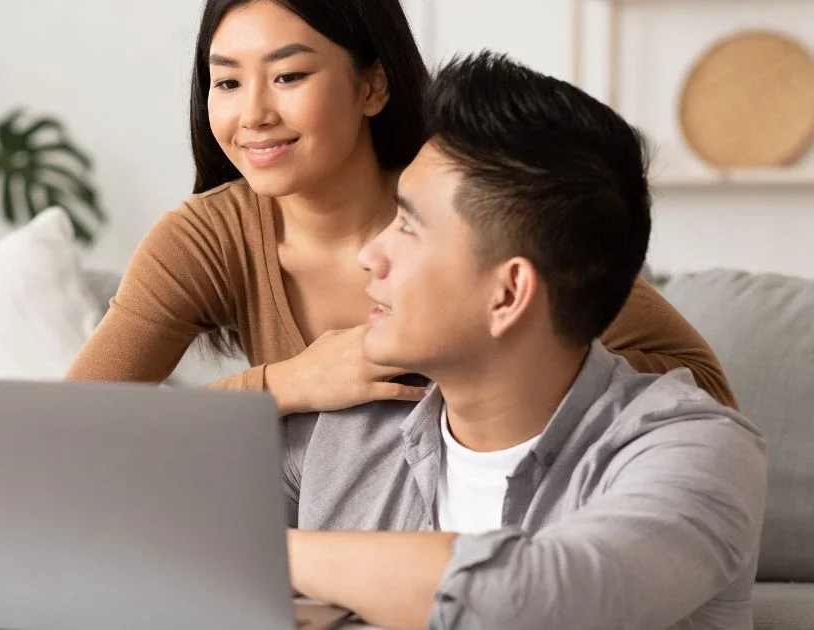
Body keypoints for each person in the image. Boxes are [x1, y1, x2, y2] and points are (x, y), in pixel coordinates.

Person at [282, 52, 767, 630]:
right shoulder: (351, 430)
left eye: (408, 226)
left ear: (509, 294)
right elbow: (163, 515)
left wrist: (272, 553)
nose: (369, 255)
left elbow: (533, 598)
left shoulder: (696, 452)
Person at [65, 0, 738, 411]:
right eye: (226, 82)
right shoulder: (207, 240)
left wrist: (481, 370)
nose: (253, 114)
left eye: (289, 75)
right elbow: (76, 427)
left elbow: (706, 388)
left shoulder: (469, 201)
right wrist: (288, 384)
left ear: (373, 86)